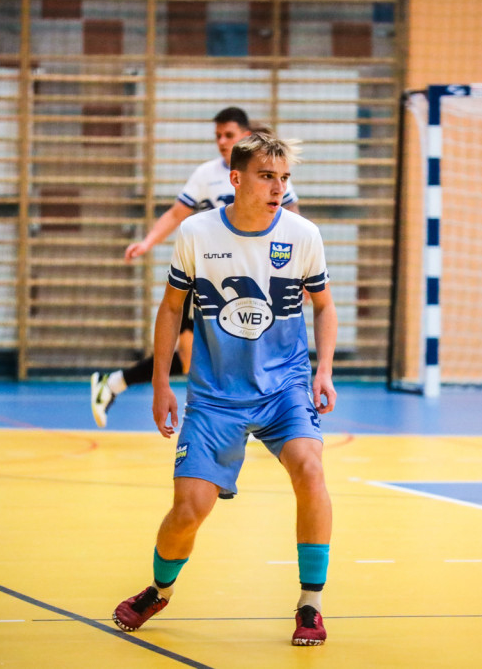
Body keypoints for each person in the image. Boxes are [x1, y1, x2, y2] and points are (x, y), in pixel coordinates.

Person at [111, 133, 337, 645]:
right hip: (214, 397)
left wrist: (323, 371)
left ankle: (310, 604)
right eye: (266, 176)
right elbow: (172, 308)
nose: (279, 187)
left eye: (284, 177)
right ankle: (160, 590)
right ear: (235, 178)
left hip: (285, 387)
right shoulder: (197, 233)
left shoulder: (304, 235)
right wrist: (162, 384)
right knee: (189, 509)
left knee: (311, 468)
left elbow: (323, 306)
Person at [90, 107, 300, 427]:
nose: (221, 141)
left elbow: (292, 217)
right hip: (206, 279)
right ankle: (122, 384)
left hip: (252, 276)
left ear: (245, 136)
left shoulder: (269, 174)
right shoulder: (206, 175)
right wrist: (147, 242)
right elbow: (176, 214)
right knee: (194, 358)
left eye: (228, 135)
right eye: (217, 135)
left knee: (221, 353)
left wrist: (300, 273)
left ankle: (117, 381)